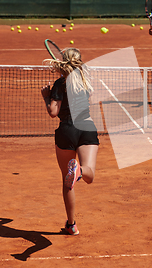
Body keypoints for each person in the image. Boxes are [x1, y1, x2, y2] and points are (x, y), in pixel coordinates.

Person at [40, 48, 99, 236]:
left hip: (67, 130)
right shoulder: (85, 81)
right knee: (89, 176)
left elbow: (53, 112)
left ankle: (71, 225)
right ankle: (80, 171)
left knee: (67, 182)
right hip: (88, 127)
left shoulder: (60, 84)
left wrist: (46, 96)